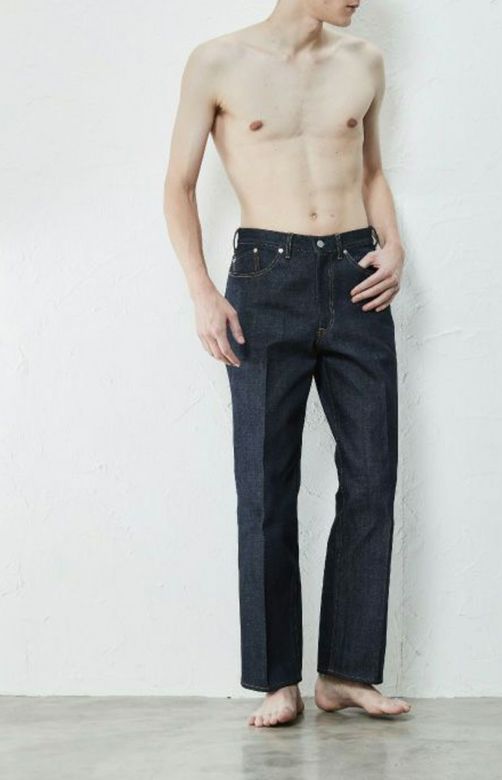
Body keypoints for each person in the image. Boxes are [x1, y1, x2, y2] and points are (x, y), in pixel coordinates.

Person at [163, 0, 409, 728]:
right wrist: (203, 292)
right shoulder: (218, 61)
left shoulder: (364, 61)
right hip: (265, 280)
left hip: (357, 276)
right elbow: (178, 184)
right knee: (266, 486)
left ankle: (345, 674)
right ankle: (278, 680)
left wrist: (393, 245)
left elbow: (372, 171)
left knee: (372, 479)